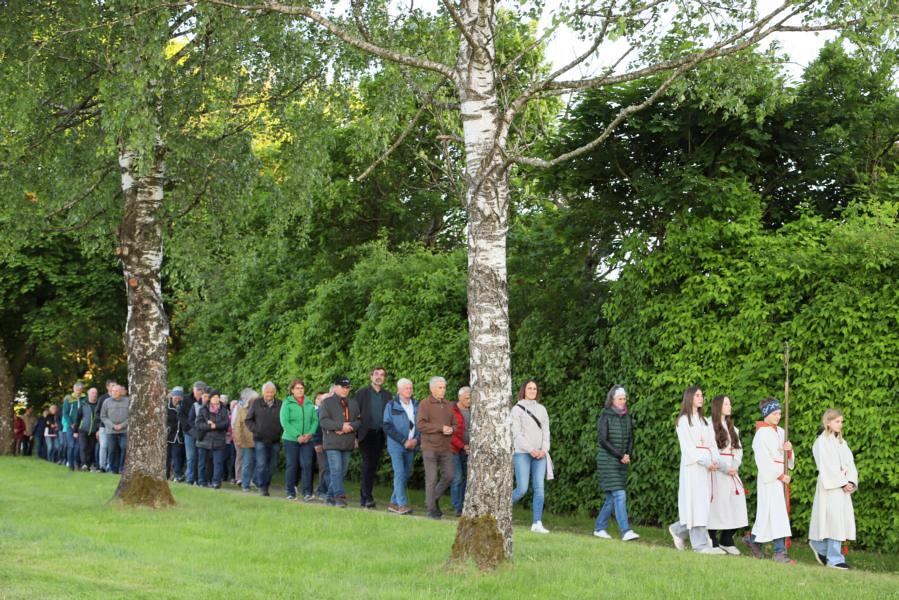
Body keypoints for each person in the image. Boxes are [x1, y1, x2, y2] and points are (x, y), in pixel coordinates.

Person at [669, 387, 724, 554]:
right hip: (693, 467)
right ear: (689, 398)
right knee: (695, 503)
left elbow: (712, 444)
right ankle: (700, 545)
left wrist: (715, 460)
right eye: (697, 395)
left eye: (702, 395)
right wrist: (705, 461)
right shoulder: (683, 421)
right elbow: (688, 448)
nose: (701, 398)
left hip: (706, 469)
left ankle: (678, 530)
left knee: (703, 504)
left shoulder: (704, 421)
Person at [743, 398, 795, 564]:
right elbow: (763, 459)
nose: (778, 417)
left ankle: (753, 540)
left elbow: (787, 458)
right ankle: (779, 553)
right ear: (766, 414)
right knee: (776, 514)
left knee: (771, 514)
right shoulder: (761, 434)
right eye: (774, 414)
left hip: (781, 477)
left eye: (779, 413)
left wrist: (789, 451)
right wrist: (779, 475)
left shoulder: (781, 431)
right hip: (770, 479)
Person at [808, 408, 857, 570]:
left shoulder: (842, 443)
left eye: (841, 421)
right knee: (832, 522)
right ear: (828, 422)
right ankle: (834, 559)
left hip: (843, 489)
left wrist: (851, 481)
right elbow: (826, 467)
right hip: (830, 488)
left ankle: (822, 548)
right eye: (837, 421)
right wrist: (842, 482)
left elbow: (850, 463)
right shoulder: (821, 442)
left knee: (839, 522)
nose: (840, 424)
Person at [594, 385, 639, 541]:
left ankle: (599, 528)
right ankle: (625, 531)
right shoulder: (605, 415)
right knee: (620, 494)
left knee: (612, 498)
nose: (622, 401)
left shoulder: (627, 416)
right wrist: (620, 455)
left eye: (624, 398)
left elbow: (631, 438)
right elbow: (603, 440)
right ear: (612, 399)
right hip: (607, 461)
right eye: (620, 398)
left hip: (621, 461)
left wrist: (627, 454)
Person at [707, 395, 748, 554]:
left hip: (731, 472)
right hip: (716, 471)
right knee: (716, 504)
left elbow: (738, 450)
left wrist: (734, 466)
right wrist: (724, 468)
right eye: (726, 404)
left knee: (736, 503)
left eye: (730, 403)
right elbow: (710, 450)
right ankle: (712, 538)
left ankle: (726, 538)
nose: (730, 406)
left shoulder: (733, 429)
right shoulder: (709, 426)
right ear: (718, 406)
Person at [511, 379, 553, 534]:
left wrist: (544, 450)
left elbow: (546, 432)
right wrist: (530, 450)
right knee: (522, 489)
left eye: (534, 388)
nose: (532, 391)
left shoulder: (542, 409)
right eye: (529, 388)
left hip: (540, 454)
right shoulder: (516, 409)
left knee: (539, 489)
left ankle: (537, 522)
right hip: (522, 453)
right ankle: (500, 510)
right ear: (524, 390)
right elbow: (516, 434)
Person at [417, 376, 456, 520]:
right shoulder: (425, 404)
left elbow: (455, 424)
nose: (443, 390)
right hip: (430, 447)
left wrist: (452, 429)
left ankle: (432, 499)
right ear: (432, 389)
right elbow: (421, 425)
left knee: (450, 475)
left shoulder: (449, 405)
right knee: (431, 479)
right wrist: (441, 428)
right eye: (440, 387)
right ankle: (431, 509)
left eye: (444, 387)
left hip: (445, 447)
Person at [319, 376, 361, 507]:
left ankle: (329, 497)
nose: (345, 390)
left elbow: (359, 420)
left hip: (347, 442)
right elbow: (323, 421)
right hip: (332, 442)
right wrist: (340, 426)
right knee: (336, 470)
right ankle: (339, 497)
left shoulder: (353, 403)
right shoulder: (327, 402)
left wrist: (350, 427)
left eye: (348, 387)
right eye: (343, 387)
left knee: (342, 472)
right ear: (336, 387)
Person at [354, 367, 392, 509]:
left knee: (371, 466)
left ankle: (364, 498)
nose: (379, 377)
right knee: (368, 464)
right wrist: (354, 436)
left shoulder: (387, 395)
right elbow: (354, 414)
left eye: (382, 374)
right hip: (366, 434)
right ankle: (367, 497)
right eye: (376, 374)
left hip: (380, 435)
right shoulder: (362, 393)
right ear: (371, 376)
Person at [383, 378, 420, 515]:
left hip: (412, 445)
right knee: (399, 473)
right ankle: (402, 505)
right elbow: (387, 426)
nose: (409, 390)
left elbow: (421, 424)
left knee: (406, 474)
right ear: (399, 390)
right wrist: (403, 440)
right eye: (406, 388)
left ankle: (393, 503)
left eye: (410, 388)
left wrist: (416, 440)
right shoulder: (391, 405)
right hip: (397, 445)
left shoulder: (416, 404)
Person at [280, 379, 319, 501]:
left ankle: (307, 492)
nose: (300, 390)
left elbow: (315, 420)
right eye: (297, 388)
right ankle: (290, 492)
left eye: (301, 388)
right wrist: (297, 436)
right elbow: (285, 422)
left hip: (307, 440)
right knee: (292, 465)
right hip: (291, 439)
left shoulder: (309, 403)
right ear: (292, 390)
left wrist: (310, 434)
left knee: (307, 465)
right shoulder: (287, 403)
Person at [244, 381, 283, 496]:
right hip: (260, 439)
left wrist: (280, 430)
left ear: (275, 392)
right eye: (267, 392)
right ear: (263, 392)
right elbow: (248, 420)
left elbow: (284, 420)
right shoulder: (256, 403)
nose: (269, 394)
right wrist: (256, 430)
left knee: (273, 464)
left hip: (275, 439)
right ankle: (263, 487)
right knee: (261, 464)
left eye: (271, 392)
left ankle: (260, 481)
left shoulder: (280, 404)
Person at [195, 390, 230, 488]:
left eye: (217, 397)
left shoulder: (224, 409)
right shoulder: (203, 409)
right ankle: (202, 482)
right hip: (204, 439)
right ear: (210, 398)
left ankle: (216, 482)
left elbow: (226, 423)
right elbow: (198, 424)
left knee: (218, 463)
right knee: (202, 463)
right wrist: (209, 426)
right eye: (214, 397)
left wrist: (216, 426)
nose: (216, 399)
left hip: (218, 440)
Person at [232, 388, 258, 491]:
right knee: (244, 460)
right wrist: (237, 439)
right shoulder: (240, 408)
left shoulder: (258, 408)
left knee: (255, 460)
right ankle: (241, 480)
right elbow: (235, 424)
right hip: (244, 439)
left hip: (256, 439)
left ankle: (250, 479)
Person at [450, 386, 471, 517]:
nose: (469, 401)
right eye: (466, 398)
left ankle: (464, 504)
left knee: (469, 477)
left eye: (470, 398)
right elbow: (450, 433)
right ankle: (457, 507)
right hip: (454, 449)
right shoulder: (451, 410)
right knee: (457, 478)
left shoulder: (474, 410)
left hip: (468, 449)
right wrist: (463, 446)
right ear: (459, 397)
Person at [100, 384, 130, 474]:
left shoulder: (127, 401)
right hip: (111, 431)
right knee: (112, 450)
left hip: (124, 430)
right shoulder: (106, 402)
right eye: (113, 391)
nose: (114, 393)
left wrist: (122, 425)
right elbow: (103, 416)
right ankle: (113, 469)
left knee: (124, 447)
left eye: (116, 391)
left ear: (120, 392)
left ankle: (122, 468)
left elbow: (131, 415)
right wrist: (112, 425)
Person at [181, 381, 205, 485]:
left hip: (202, 432)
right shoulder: (186, 400)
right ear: (193, 390)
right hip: (189, 431)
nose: (199, 391)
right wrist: (189, 429)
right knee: (191, 456)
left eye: (201, 389)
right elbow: (181, 416)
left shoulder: (206, 401)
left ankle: (199, 478)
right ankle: (190, 478)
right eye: (197, 389)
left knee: (201, 457)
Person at [74, 387, 101, 471]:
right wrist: (75, 431)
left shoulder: (99, 405)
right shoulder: (83, 405)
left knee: (90, 449)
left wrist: (99, 430)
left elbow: (101, 419)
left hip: (94, 431)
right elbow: (77, 418)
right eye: (92, 393)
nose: (94, 395)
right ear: (88, 394)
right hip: (83, 430)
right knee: (83, 447)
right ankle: (83, 464)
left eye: (96, 393)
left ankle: (88, 465)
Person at [61, 381, 86, 470]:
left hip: (81, 426)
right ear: (74, 389)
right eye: (77, 390)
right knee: (71, 445)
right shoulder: (68, 399)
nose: (78, 391)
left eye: (80, 390)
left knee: (78, 446)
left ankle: (77, 463)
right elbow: (65, 413)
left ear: (82, 390)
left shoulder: (85, 399)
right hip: (70, 426)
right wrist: (71, 424)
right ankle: (71, 465)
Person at [313, 390, 332, 499]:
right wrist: (317, 443)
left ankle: (326, 489)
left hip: (330, 443)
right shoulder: (319, 411)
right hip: (321, 443)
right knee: (324, 467)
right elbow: (316, 428)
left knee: (328, 468)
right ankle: (322, 490)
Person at [167, 387, 188, 481]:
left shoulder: (183, 406)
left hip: (179, 436)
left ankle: (177, 475)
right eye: (175, 397)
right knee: (167, 456)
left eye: (179, 397)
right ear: (172, 396)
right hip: (168, 435)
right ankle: (166, 474)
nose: (177, 399)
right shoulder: (166, 406)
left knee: (177, 455)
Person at [96, 379, 117, 472]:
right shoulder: (102, 398)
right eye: (112, 385)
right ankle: (102, 466)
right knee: (104, 446)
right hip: (103, 426)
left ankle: (110, 465)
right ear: (107, 387)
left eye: (115, 385)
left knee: (112, 447)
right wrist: (104, 421)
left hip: (115, 427)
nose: (114, 387)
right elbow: (97, 413)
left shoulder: (118, 398)